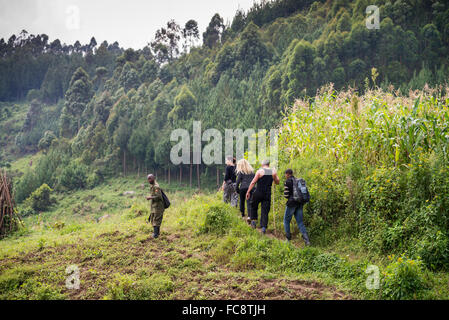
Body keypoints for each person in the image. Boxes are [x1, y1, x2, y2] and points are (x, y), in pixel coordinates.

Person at [246, 159, 280, 234]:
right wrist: (275, 174)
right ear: (269, 164)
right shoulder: (272, 172)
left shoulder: (260, 171)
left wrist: (248, 191)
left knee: (253, 205)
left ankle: (254, 221)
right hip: (267, 194)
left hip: (258, 192)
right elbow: (277, 182)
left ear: (263, 164)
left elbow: (253, 182)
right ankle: (263, 227)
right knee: (265, 210)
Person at [283, 169, 310, 245]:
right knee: (300, 222)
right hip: (300, 203)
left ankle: (288, 240)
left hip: (291, 204)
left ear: (288, 174)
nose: (285, 176)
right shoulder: (297, 180)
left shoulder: (287, 181)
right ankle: (307, 241)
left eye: (285, 174)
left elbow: (286, 195)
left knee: (286, 221)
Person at [146, 174, 165, 239]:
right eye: (148, 179)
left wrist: (150, 197)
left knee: (156, 220)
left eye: (150, 178)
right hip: (154, 206)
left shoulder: (156, 187)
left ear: (154, 178)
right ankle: (156, 233)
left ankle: (156, 234)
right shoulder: (152, 186)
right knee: (153, 219)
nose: (149, 180)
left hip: (158, 206)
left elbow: (158, 197)